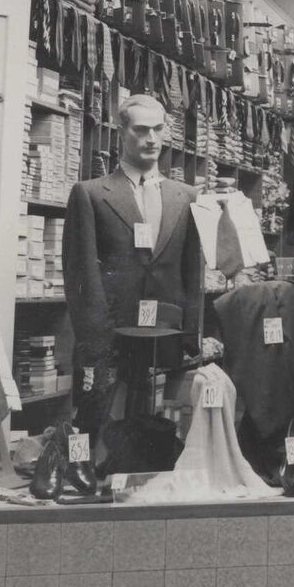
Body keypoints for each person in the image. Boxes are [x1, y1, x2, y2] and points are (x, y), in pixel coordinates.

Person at [63, 94, 206, 419]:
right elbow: (80, 273)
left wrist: (190, 333)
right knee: (93, 412)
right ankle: (78, 462)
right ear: (121, 131)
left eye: (158, 129)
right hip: (112, 330)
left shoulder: (186, 197)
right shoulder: (90, 193)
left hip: (165, 329)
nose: (151, 139)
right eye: (141, 130)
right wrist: (94, 341)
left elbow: (192, 269)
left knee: (152, 420)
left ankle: (141, 466)